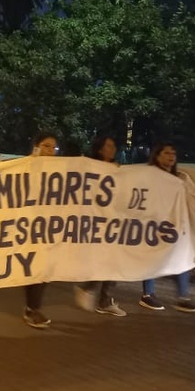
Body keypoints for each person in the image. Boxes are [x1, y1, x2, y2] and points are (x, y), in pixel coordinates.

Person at [138, 141, 195, 313]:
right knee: (152, 258)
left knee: (181, 259)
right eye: (167, 153)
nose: (171, 157)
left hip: (175, 226)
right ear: (157, 156)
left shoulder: (181, 178)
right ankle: (148, 295)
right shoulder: (150, 176)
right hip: (154, 225)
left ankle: (183, 297)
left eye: (173, 154)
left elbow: (191, 198)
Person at [75, 134, 126, 317]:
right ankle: (90, 288)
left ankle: (103, 299)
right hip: (96, 221)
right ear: (100, 149)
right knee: (104, 261)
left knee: (113, 262)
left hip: (113, 222)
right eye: (109, 145)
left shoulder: (118, 169)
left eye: (114, 146)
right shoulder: (90, 167)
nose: (112, 149)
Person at [21, 132, 58, 328]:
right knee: (35, 267)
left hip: (48, 228)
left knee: (44, 270)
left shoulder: (61, 171)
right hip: (27, 226)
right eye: (46, 146)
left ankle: (33, 307)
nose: (50, 151)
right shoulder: (25, 166)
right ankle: (32, 309)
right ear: (36, 147)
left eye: (53, 148)